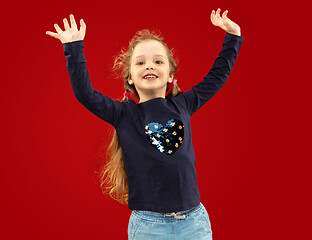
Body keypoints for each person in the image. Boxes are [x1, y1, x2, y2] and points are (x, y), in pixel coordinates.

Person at [46, 8, 244, 240]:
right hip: (149, 226)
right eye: (140, 63)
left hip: (194, 223)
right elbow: (86, 94)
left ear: (170, 75)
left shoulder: (184, 104)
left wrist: (233, 35)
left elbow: (217, 76)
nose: (149, 66)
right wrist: (73, 47)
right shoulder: (123, 114)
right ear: (130, 77)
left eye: (158, 61)